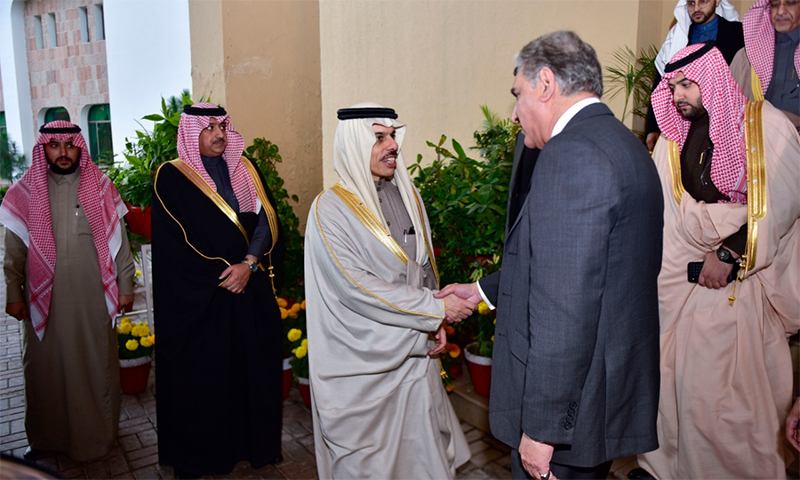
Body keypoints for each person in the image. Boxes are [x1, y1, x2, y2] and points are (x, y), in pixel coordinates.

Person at [438, 31, 664, 480]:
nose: (514, 113)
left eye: (517, 94)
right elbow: (585, 267)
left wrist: (542, 430)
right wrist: (483, 290)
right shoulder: (624, 144)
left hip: (567, 417)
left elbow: (565, 309)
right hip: (599, 397)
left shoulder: (572, 155)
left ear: (545, 83)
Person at [636, 42, 800, 479]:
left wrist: (729, 251)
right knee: (675, 386)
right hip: (684, 282)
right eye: (672, 87)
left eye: (687, 84)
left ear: (712, 80)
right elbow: (668, 217)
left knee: (728, 400)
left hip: (742, 283)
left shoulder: (764, 127)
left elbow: (782, 202)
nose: (678, 95)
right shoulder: (673, 142)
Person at [304, 103, 472, 479]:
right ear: (354, 144)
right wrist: (435, 309)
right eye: (379, 137)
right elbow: (357, 287)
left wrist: (434, 320)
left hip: (413, 350)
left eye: (393, 136)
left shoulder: (407, 195)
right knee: (370, 465)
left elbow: (422, 266)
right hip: (361, 363)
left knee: (422, 456)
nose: (392, 145)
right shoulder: (329, 210)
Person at [153, 103, 284, 479]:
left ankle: (254, 447)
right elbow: (174, 246)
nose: (218, 134)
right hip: (201, 301)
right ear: (190, 132)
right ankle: (203, 457)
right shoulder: (172, 177)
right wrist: (224, 274)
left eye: (222, 126)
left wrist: (249, 263)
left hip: (248, 288)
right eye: (208, 127)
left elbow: (265, 220)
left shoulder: (246, 168)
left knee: (252, 369)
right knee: (205, 378)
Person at [0, 120, 135, 461]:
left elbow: (120, 245)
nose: (63, 152)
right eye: (54, 145)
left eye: (70, 145)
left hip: (91, 300)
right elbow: (13, 252)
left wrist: (125, 286)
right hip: (43, 302)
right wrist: (13, 293)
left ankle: (96, 439)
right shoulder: (24, 193)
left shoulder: (101, 188)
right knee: (43, 371)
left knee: (94, 367)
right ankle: (46, 440)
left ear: (80, 147)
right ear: (43, 149)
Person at [645, 0, 744, 151]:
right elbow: (661, 83)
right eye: (691, 3)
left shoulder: (737, 33)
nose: (697, 8)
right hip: (687, 121)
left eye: (703, 1)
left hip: (726, 120)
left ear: (717, 1)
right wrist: (652, 128)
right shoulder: (679, 37)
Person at [731, 0, 800, 129]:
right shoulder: (745, 58)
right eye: (775, 5)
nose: (780, 12)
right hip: (754, 138)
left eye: (790, 3)